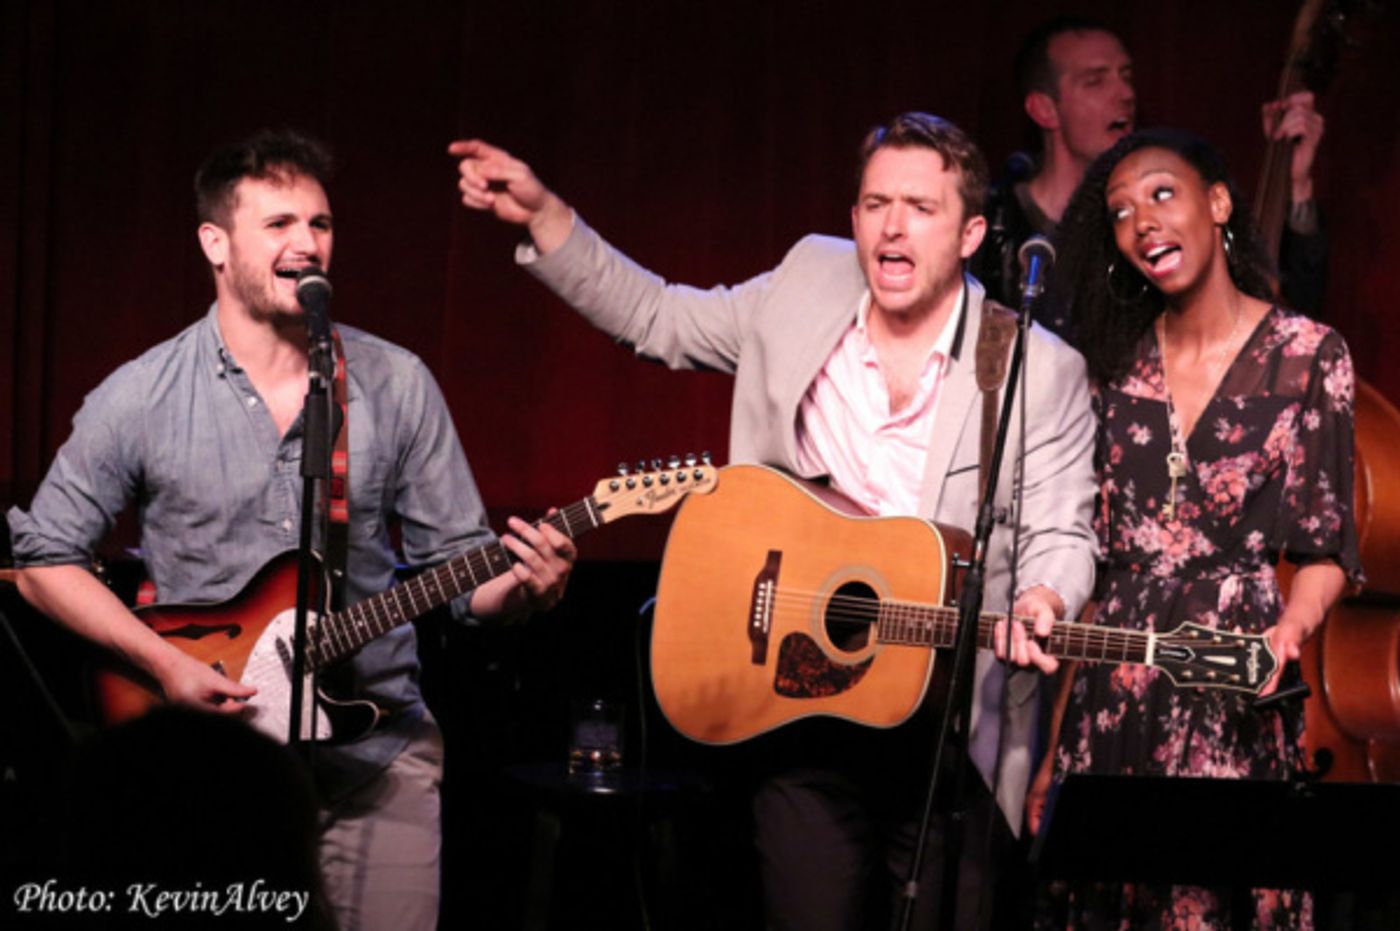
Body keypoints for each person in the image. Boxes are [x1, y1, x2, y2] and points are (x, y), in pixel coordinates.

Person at [450, 113, 1097, 930]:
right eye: (874, 204)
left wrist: (1045, 595)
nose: (892, 227)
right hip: (802, 698)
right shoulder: (806, 282)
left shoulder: (1039, 368)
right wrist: (546, 216)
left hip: (949, 731)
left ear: (970, 232)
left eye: (921, 208)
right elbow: (661, 318)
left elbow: (1063, 533)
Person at [6, 129, 577, 931]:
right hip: (210, 771)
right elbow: (41, 562)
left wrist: (520, 586)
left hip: (378, 756)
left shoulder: (396, 381)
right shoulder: (140, 395)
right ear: (215, 242)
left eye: (321, 223)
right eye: (278, 224)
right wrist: (164, 664)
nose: (307, 243)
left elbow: (460, 570)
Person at [1021, 128, 1361, 929]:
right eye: (1120, 211)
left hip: (1234, 672)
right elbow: (1097, 581)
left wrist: (1289, 628)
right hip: (1112, 689)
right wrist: (1048, 756)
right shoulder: (1111, 364)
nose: (1142, 221)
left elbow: (1323, 546)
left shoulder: (1308, 355)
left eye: (1162, 194)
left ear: (1218, 203)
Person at [972, 15, 1329, 335]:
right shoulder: (996, 225)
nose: (1125, 94)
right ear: (1044, 109)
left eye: (1126, 77)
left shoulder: (1157, 222)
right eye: (1096, 81)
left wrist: (1293, 184)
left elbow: (1277, 309)